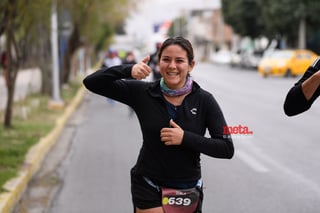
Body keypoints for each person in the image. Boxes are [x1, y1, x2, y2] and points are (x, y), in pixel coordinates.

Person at [83, 36, 234, 213]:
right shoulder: (143, 92)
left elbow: (226, 148)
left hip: (187, 188)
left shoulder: (205, 100)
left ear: (191, 65)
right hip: (149, 184)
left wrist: (185, 138)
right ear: (158, 62)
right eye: (166, 59)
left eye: (179, 61)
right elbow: (91, 82)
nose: (172, 66)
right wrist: (128, 70)